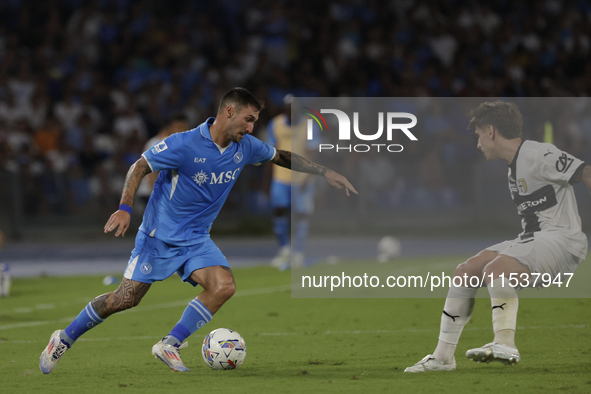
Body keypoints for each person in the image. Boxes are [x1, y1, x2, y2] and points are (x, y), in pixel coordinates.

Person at [39, 87, 357, 374]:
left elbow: (281, 156)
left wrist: (325, 171)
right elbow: (139, 167)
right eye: (248, 120)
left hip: (196, 240)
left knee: (224, 286)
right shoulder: (184, 143)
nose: (251, 128)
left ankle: (170, 344)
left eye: (254, 122)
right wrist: (124, 208)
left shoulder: (245, 147)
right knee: (123, 299)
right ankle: (63, 338)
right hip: (158, 238)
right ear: (228, 112)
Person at [405, 101, 591, 372]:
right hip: (534, 239)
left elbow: (585, 171)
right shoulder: (512, 166)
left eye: (479, 134)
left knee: (496, 269)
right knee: (465, 272)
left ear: (491, 131)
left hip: (562, 240)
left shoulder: (539, 153)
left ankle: (505, 343)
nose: (478, 144)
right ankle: (442, 357)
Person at [267, 94, 319, 269]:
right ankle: (284, 250)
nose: (291, 111)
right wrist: (267, 179)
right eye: (288, 107)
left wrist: (308, 175)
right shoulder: (275, 124)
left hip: (301, 178)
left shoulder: (308, 125)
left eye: (294, 107)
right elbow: (270, 152)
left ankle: (299, 252)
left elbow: (313, 151)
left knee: (302, 214)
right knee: (280, 212)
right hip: (280, 177)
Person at [136, 113, 190, 207]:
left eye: (186, 128)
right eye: (179, 127)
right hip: (150, 194)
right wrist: (157, 198)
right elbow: (151, 174)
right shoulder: (156, 144)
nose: (183, 130)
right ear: (170, 127)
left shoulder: (177, 144)